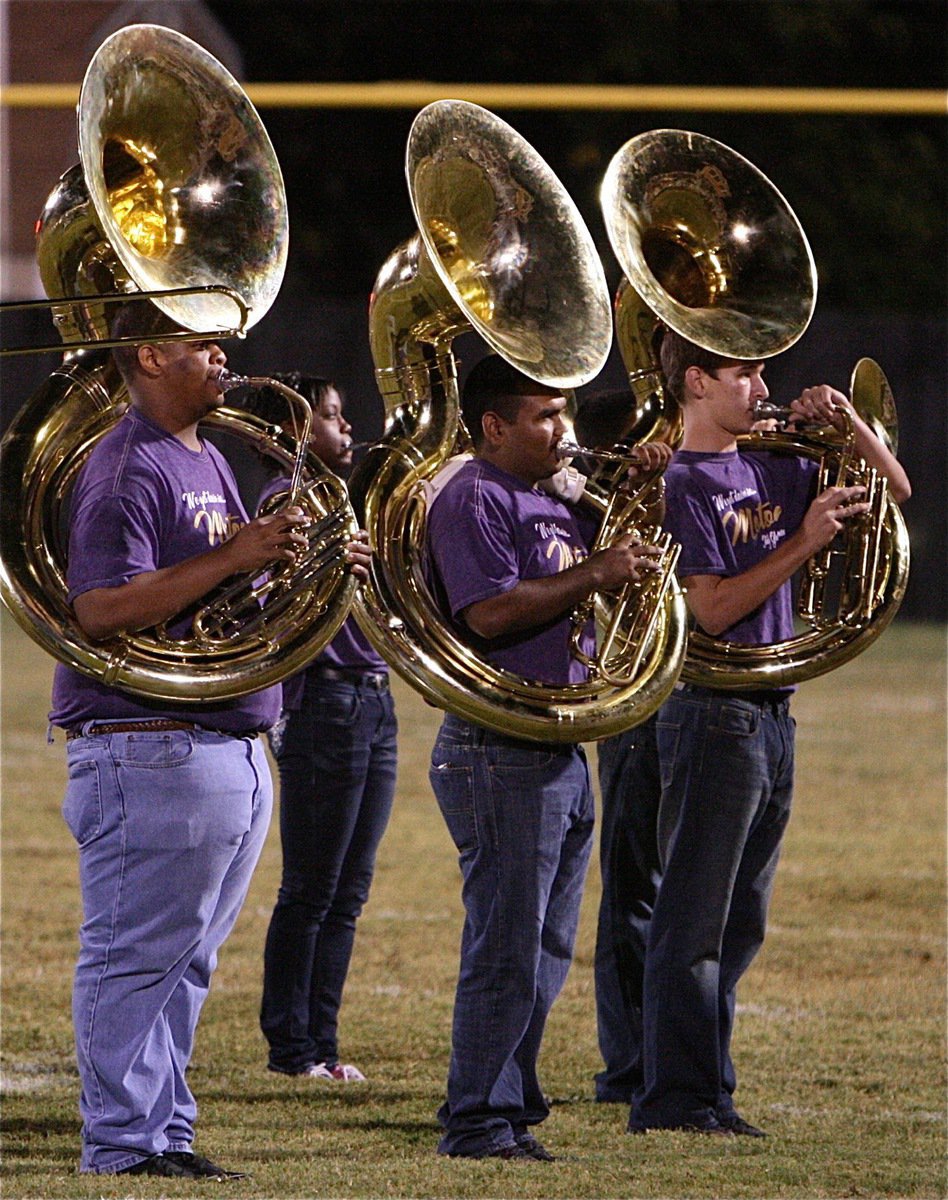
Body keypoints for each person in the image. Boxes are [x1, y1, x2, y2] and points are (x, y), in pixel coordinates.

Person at [47, 305, 366, 1179]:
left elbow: (237, 597)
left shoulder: (206, 457)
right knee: (134, 958)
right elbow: (101, 608)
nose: (223, 357)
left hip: (223, 742)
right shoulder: (124, 466)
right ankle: (120, 1145)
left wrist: (319, 563)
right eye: (200, 344)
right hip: (150, 744)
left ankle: (165, 1136)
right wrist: (238, 557)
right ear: (149, 355)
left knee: (185, 963)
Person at [627, 329, 911, 1137]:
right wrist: (805, 539)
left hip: (771, 711)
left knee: (740, 918)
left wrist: (849, 420)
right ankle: (675, 1100)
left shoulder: (773, 461)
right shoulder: (682, 482)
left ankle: (709, 1092)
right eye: (743, 373)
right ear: (696, 385)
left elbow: (896, 489)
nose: (762, 386)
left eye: (762, 371)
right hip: (712, 711)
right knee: (693, 919)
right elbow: (710, 607)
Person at [424, 354, 663, 1161]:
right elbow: (488, 611)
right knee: (506, 944)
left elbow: (601, 578)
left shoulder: (546, 498)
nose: (564, 431)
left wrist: (642, 496)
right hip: (500, 748)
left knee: (547, 947)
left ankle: (511, 1103)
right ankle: (477, 1119)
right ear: (494, 426)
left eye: (565, 414)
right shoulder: (473, 496)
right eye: (544, 417)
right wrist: (599, 569)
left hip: (556, 743)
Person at [250, 374, 398, 1083]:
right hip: (322, 705)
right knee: (312, 886)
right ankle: (292, 1046)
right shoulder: (283, 505)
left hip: (374, 701)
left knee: (349, 889)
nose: (347, 427)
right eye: (331, 417)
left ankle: (324, 1046)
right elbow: (273, 608)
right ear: (291, 436)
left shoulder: (351, 502)